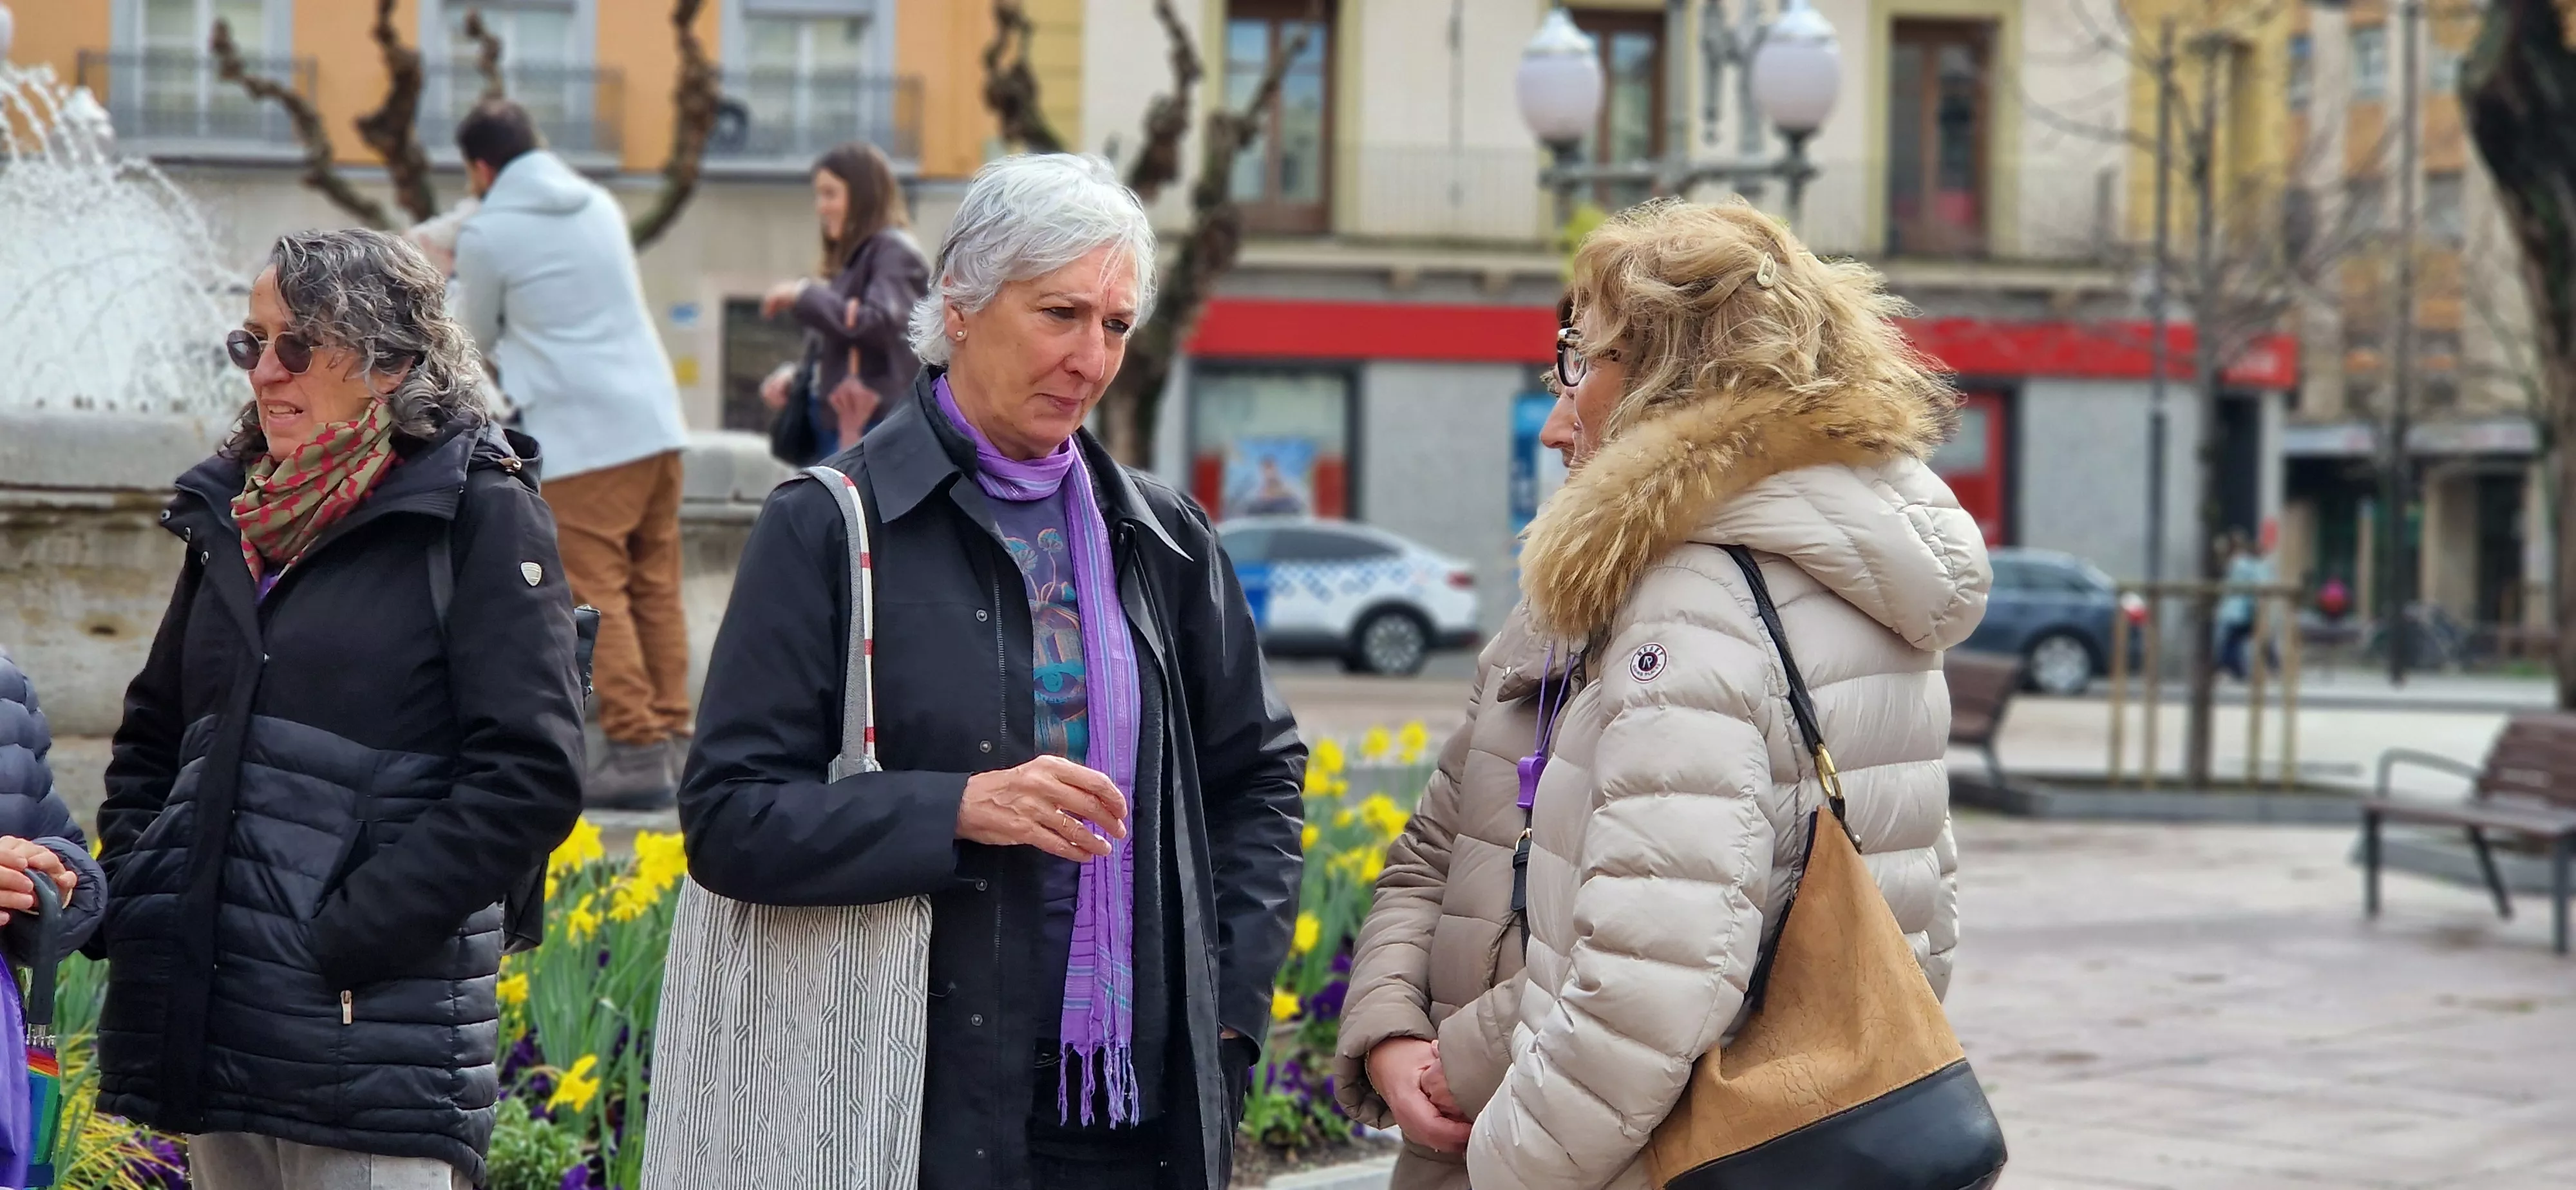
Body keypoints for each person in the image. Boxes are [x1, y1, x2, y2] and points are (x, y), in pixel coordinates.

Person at [670, 153, 1304, 1190]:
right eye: (1060, 313)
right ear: (960, 306)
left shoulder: (1159, 533)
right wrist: (956, 807)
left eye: (1116, 325)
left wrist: (1225, 1023)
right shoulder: (833, 524)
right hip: (912, 1111)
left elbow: (1260, 777)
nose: (1090, 358)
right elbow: (729, 819)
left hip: (1139, 1120)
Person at [1464, 200, 1991, 1190]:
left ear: (1670, 369)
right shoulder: (1854, 560)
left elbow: (1648, 992)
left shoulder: (1695, 596)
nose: (1561, 411)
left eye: (1585, 354)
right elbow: (1923, 907)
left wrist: (1507, 1163)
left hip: (1692, 1150)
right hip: (1832, 1122)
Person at [94, 229, 586, 1190]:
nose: (265, 373)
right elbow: (154, 733)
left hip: (370, 1047)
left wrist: (347, 936)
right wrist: (143, 882)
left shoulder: (479, 512)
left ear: (388, 362)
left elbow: (530, 775)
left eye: (297, 345)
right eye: (252, 344)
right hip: (219, 1030)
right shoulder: (237, 515)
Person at [1332, 393, 1582, 1189]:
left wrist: (1457, 1063)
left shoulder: (1710, 634)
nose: (1553, 427)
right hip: (1462, 1140)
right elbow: (1427, 861)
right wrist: (1391, 1034)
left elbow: (1664, 950)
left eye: (1582, 376)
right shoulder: (1539, 625)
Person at [451, 98, 692, 809]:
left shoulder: (488, 232)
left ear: (480, 167)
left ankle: (637, 751)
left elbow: (473, 339)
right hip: (655, 422)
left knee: (598, 592)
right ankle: (677, 742)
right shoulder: (598, 206)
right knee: (655, 586)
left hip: (584, 434)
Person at [756, 140, 930, 465]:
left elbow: (877, 323)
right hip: (845, 425)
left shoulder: (893, 251)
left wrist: (803, 294)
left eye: (830, 194)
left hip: (866, 427)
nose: (821, 207)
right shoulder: (862, 257)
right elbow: (852, 343)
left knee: (849, 515)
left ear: (862, 196)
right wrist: (799, 377)